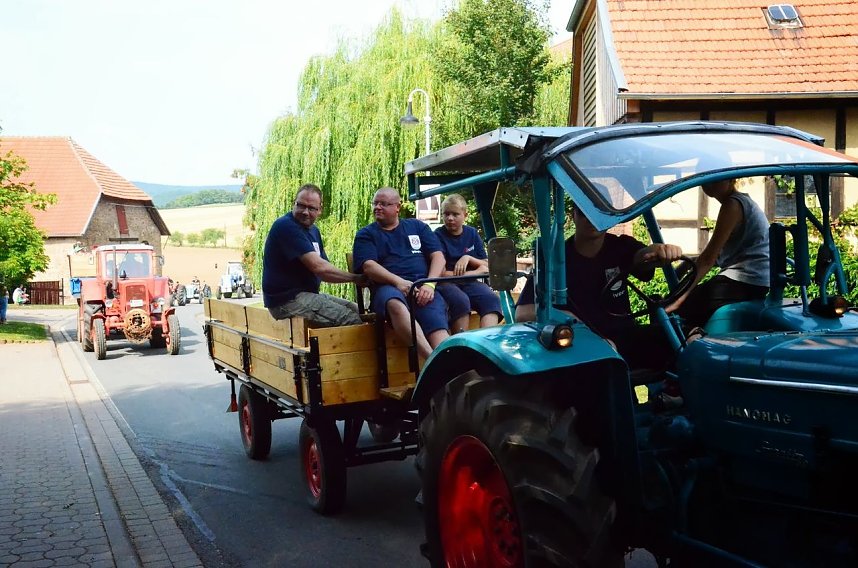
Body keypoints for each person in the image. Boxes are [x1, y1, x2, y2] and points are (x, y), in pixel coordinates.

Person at [515, 206, 683, 370]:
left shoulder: (620, 246)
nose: (591, 219)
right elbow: (522, 313)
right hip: (579, 340)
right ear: (573, 215)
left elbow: (644, 255)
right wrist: (565, 317)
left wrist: (661, 250)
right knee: (606, 359)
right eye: (584, 212)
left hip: (625, 334)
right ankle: (624, 397)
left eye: (598, 212)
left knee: (682, 338)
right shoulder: (555, 261)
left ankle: (676, 392)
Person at [352, 187, 450, 360]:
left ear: (397, 207)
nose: (377, 207)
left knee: (436, 325)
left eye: (383, 204)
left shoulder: (417, 227)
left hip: (422, 287)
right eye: (375, 203)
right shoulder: (366, 234)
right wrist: (399, 282)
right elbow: (369, 266)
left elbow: (438, 257)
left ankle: (452, 365)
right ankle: (430, 361)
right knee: (394, 303)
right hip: (387, 288)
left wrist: (430, 284)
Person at [666, 179, 769, 329]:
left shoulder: (732, 205)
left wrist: (679, 300)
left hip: (746, 281)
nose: (708, 184)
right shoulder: (744, 202)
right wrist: (686, 266)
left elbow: (708, 258)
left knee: (678, 309)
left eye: (715, 179)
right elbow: (717, 257)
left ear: (732, 179)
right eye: (704, 180)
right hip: (757, 281)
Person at [262, 183, 366, 327]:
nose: (305, 212)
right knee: (351, 319)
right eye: (301, 205)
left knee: (356, 310)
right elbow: (319, 268)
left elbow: (325, 270)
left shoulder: (313, 231)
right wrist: (356, 278)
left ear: (319, 210)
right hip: (286, 301)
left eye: (311, 208)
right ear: (294, 204)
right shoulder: (286, 226)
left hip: (307, 295)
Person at [433, 194, 501, 333]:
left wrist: (468, 258)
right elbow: (441, 273)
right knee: (461, 301)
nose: (450, 218)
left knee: (491, 299)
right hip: (447, 283)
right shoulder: (438, 235)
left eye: (455, 214)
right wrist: (475, 272)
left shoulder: (472, 233)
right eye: (446, 214)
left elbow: (487, 264)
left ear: (465, 215)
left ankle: (485, 342)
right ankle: (460, 344)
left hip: (469, 283)